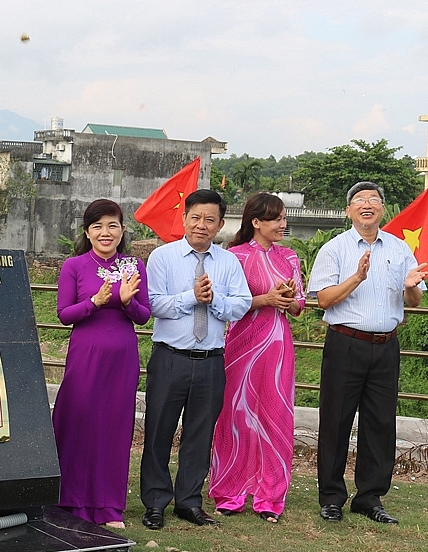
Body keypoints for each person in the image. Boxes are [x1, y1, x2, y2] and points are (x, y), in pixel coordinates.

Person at [308, 181, 427, 525]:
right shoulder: (334, 249)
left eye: (374, 199)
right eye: (359, 200)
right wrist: (357, 277)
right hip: (346, 343)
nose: (367, 205)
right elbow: (324, 300)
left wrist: (411, 288)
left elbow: (415, 299)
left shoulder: (401, 248)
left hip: (386, 345)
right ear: (349, 211)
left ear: (382, 209)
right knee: (335, 421)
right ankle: (331, 497)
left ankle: (370, 497)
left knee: (380, 422)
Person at [140, 189, 252, 530]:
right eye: (195, 217)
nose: (201, 225)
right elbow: (153, 304)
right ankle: (156, 502)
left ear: (220, 224)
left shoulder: (229, 262)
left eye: (209, 220)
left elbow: (242, 303)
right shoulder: (162, 257)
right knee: (159, 430)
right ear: (184, 218)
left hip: (210, 360)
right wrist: (191, 297)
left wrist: (213, 298)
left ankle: (189, 502)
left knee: (200, 434)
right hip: (170, 358)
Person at [53, 199, 151, 529]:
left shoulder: (134, 266)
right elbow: (64, 314)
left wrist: (126, 302)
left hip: (121, 357)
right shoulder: (75, 266)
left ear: (122, 231)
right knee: (78, 422)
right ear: (87, 232)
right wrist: (93, 303)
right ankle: (72, 501)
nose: (105, 232)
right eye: (98, 226)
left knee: (114, 427)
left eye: (112, 225)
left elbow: (144, 315)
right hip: (86, 355)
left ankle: (109, 506)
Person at [209, 193, 304, 523]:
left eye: (283, 218)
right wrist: (265, 298)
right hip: (240, 345)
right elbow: (224, 303)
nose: (283, 224)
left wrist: (288, 298)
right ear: (256, 222)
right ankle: (229, 492)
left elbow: (298, 307)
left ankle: (270, 497)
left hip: (278, 347)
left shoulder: (289, 257)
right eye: (276, 219)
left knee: (275, 417)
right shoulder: (232, 257)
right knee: (234, 416)